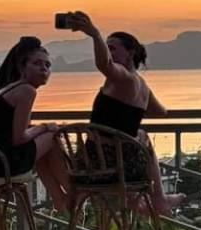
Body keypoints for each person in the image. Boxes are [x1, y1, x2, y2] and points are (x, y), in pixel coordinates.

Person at [64, 12, 182, 216]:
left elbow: (104, 65)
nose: (109, 53)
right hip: (127, 165)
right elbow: (160, 112)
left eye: (113, 48)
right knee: (142, 135)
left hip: (98, 165)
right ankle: (155, 201)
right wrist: (130, 113)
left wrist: (94, 34)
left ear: (130, 53)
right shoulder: (141, 85)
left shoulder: (123, 79)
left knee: (48, 142)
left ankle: (69, 200)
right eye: (107, 48)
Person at [0, 36, 72, 214]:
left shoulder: (5, 90)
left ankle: (60, 199)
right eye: (37, 63)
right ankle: (74, 192)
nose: (44, 69)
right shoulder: (26, 91)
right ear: (22, 67)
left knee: (42, 146)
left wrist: (39, 130)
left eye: (47, 65)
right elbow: (19, 138)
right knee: (51, 137)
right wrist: (45, 127)